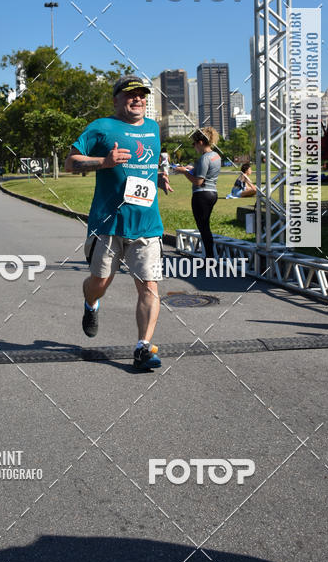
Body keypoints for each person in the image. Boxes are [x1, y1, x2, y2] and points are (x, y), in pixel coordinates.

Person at [64, 76, 173, 371]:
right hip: (108, 224)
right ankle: (91, 304)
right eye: (129, 95)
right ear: (115, 100)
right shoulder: (101, 127)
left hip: (147, 223)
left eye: (141, 95)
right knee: (100, 283)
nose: (137, 99)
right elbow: (70, 163)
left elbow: (149, 163)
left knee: (149, 287)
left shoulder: (152, 128)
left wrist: (159, 176)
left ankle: (143, 347)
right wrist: (104, 162)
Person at [173, 127, 221, 261]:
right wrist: (193, 169)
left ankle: (210, 258)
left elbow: (198, 181)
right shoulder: (215, 156)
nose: (194, 147)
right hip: (213, 193)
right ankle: (210, 256)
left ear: (200, 142)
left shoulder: (204, 158)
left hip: (201, 195)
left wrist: (184, 171)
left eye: (194, 144)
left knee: (204, 228)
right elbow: (208, 173)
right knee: (206, 226)